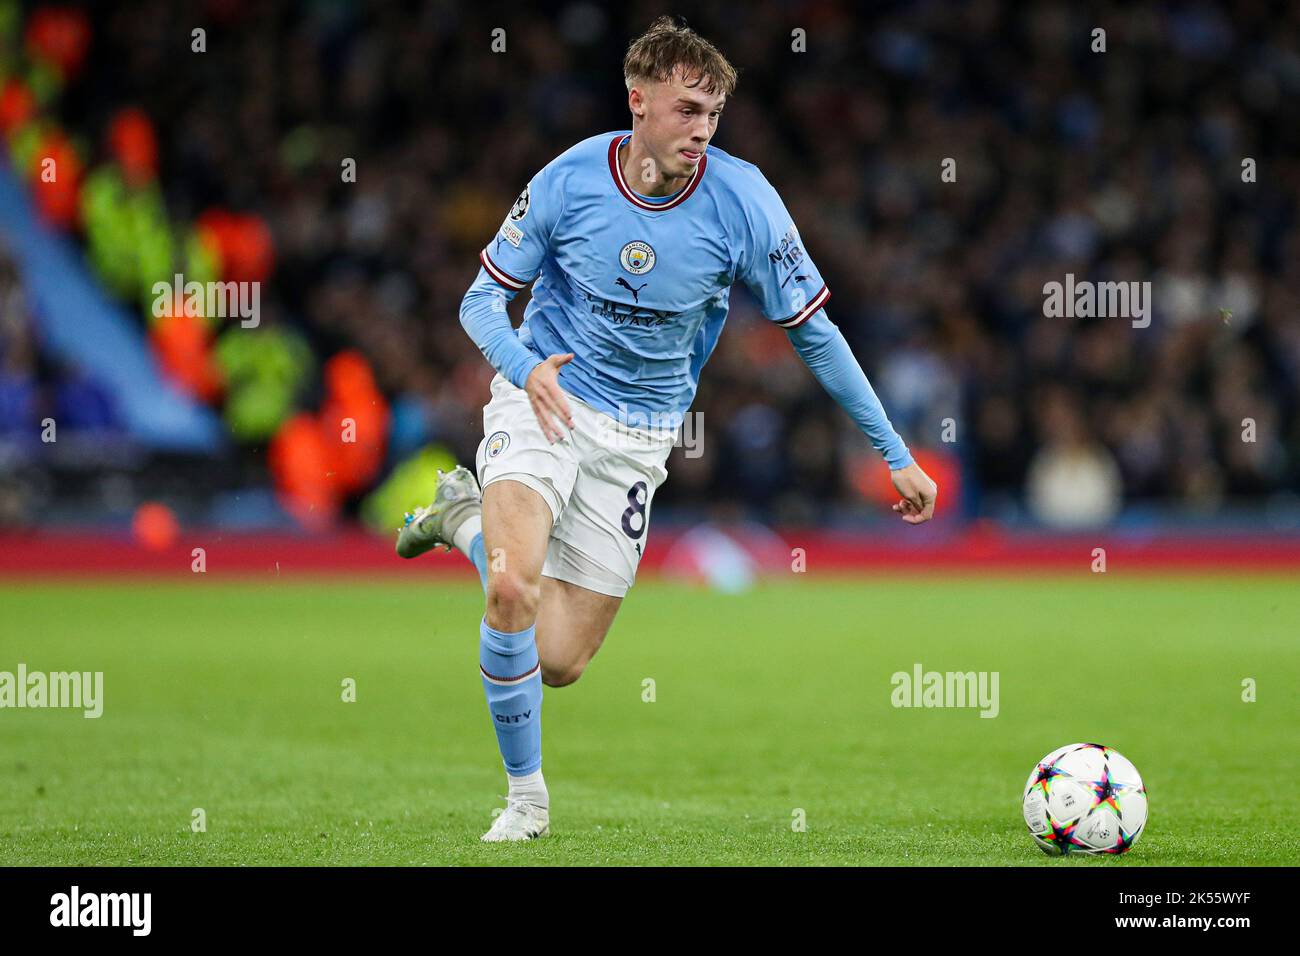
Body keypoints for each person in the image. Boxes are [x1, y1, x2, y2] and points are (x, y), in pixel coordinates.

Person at [397, 16, 937, 841]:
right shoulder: (570, 180)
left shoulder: (745, 200)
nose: (702, 130)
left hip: (641, 436)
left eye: (714, 115)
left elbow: (813, 333)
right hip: (541, 400)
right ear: (638, 99)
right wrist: (523, 366)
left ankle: (460, 519)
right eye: (687, 110)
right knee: (511, 589)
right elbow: (479, 300)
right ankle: (526, 801)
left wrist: (892, 453)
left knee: (560, 660)